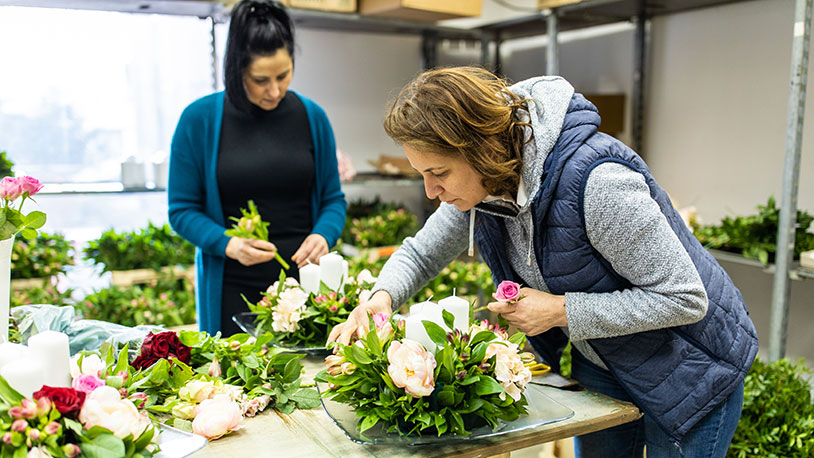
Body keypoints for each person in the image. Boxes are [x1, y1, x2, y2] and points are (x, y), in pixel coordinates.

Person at [328, 67, 757, 457]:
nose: (430, 191)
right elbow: (422, 253)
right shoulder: (485, 187)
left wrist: (560, 310)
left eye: (437, 172)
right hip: (606, 359)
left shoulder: (599, 185)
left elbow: (683, 298)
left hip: (691, 370)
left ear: (481, 151)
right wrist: (379, 299)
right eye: (421, 173)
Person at [168, 0, 346, 337]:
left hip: (303, 285)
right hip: (232, 288)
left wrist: (324, 234)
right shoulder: (198, 120)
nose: (275, 90)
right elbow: (181, 211)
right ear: (237, 69)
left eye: (284, 75)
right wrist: (228, 244)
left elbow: (333, 199)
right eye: (261, 79)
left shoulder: (313, 118)